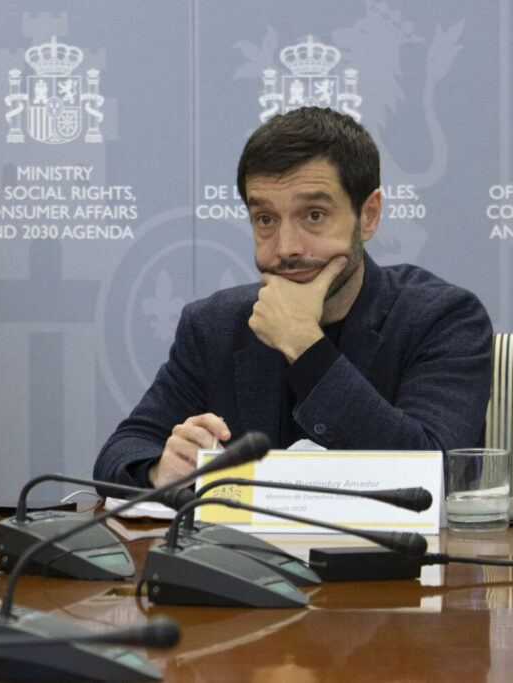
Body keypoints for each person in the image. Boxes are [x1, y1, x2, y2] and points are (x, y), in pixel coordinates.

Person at [95, 106, 492, 489]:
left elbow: (433, 473)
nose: (286, 247)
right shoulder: (214, 325)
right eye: (265, 220)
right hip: (240, 557)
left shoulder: (443, 319)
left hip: (392, 557)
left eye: (314, 215)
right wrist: (159, 470)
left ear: (368, 215)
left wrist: (304, 344)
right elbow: (121, 453)